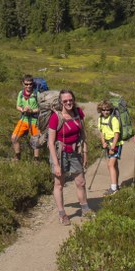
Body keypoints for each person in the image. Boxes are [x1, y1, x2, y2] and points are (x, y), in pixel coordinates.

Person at [47, 89, 92, 225]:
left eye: (70, 100)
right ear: (61, 102)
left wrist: (85, 153)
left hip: (75, 152)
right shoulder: (55, 117)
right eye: (65, 100)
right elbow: (50, 142)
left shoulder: (78, 113)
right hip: (60, 154)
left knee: (81, 182)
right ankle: (62, 214)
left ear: (74, 100)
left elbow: (82, 134)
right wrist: (56, 164)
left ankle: (85, 208)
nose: (68, 102)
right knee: (59, 184)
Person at [11, 75, 41, 161]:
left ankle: (36, 159)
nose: (28, 86)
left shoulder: (37, 94)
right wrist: (22, 109)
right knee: (14, 137)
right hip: (23, 119)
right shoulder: (21, 93)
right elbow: (18, 106)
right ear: (23, 84)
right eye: (26, 84)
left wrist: (31, 111)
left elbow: (41, 108)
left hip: (35, 121)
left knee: (36, 141)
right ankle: (17, 155)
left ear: (33, 84)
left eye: (30, 84)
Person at [97, 100, 123, 195]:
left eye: (108, 110)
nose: (105, 112)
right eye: (103, 110)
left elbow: (117, 134)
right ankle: (116, 185)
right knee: (114, 165)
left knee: (110, 165)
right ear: (100, 110)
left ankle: (113, 189)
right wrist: (103, 142)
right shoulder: (100, 119)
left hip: (116, 144)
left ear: (110, 110)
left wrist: (112, 147)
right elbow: (101, 132)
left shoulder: (113, 119)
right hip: (108, 144)